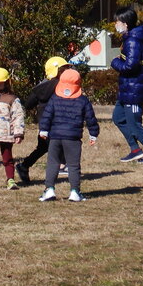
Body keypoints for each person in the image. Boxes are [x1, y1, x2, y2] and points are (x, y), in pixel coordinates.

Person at [37, 69, 99, 202]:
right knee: (73, 165)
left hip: (55, 137)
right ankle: (75, 191)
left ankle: (49, 190)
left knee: (53, 163)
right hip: (73, 138)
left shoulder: (54, 98)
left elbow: (47, 115)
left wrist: (43, 130)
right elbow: (90, 118)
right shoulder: (83, 100)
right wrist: (93, 134)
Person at [111, 8, 143, 164]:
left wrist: (115, 62)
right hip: (128, 88)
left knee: (134, 124)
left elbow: (130, 66)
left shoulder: (133, 41)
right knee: (118, 118)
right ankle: (135, 150)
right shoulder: (130, 38)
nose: (116, 25)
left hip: (134, 90)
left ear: (125, 24)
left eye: (117, 22)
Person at [16, 56, 70, 184]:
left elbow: (28, 104)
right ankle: (61, 167)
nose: (67, 72)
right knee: (58, 145)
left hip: (44, 123)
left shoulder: (40, 87)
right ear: (56, 71)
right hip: (57, 123)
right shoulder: (61, 85)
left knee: (43, 148)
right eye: (64, 69)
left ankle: (24, 166)